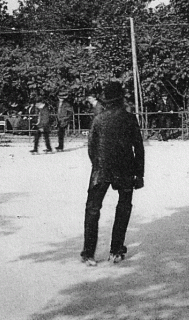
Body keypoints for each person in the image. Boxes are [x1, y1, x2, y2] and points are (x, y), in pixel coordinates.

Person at [81, 81, 145, 266]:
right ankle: (116, 250)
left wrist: (97, 165)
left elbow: (91, 148)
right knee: (123, 207)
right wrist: (139, 174)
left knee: (92, 209)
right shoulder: (130, 118)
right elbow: (139, 148)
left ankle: (89, 253)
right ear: (121, 98)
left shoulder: (98, 119)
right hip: (126, 169)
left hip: (101, 170)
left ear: (106, 100)